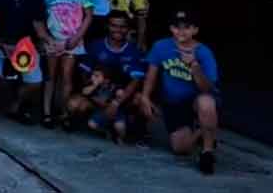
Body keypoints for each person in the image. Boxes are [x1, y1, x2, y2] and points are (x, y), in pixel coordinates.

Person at [139, 10, 220, 175]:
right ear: (171, 28)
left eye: (187, 27)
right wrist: (145, 97)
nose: (181, 32)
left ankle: (207, 151)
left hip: (197, 99)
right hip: (174, 103)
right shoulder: (160, 46)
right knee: (180, 149)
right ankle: (204, 130)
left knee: (206, 102)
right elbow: (151, 74)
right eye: (177, 27)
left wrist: (195, 66)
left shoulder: (204, 52)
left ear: (195, 30)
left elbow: (207, 88)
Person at [69, 11, 146, 140]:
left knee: (140, 100)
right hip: (99, 96)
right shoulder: (95, 46)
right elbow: (84, 73)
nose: (118, 30)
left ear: (128, 28)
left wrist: (115, 103)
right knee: (74, 104)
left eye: (122, 26)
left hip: (122, 98)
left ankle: (137, 131)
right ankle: (99, 123)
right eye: (114, 25)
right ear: (107, 26)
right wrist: (96, 96)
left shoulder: (134, 51)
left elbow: (135, 81)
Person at [39, 0, 94, 129]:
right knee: (50, 77)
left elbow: (89, 16)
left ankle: (65, 114)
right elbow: (38, 17)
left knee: (67, 76)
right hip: (52, 40)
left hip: (73, 40)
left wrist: (77, 37)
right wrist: (46, 38)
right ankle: (47, 113)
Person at [79, 65, 127, 143]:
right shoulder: (93, 85)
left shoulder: (113, 86)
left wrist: (117, 99)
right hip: (102, 111)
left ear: (106, 79)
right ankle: (106, 132)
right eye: (93, 75)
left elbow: (121, 94)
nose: (93, 77)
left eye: (97, 76)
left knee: (120, 127)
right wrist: (95, 85)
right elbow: (84, 92)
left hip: (116, 112)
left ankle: (120, 138)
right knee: (92, 124)